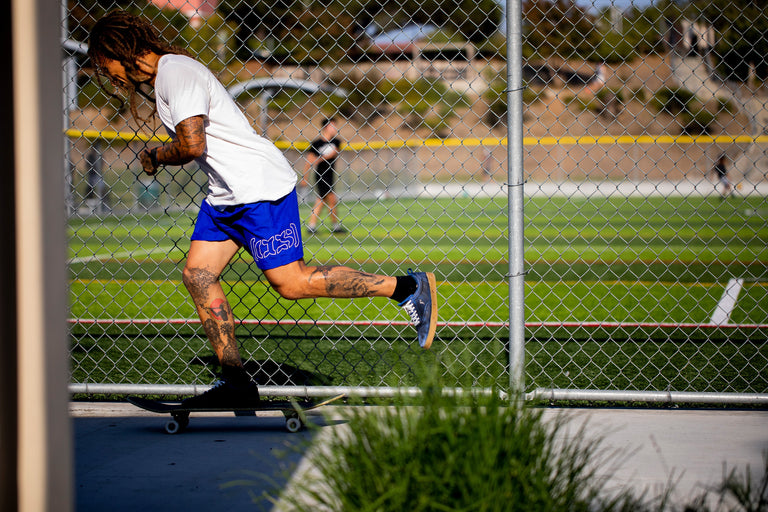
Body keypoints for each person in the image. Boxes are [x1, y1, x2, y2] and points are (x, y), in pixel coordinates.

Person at [88, 10, 437, 408]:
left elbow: (191, 145)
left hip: (257, 189)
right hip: (225, 195)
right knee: (199, 275)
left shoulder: (175, 72)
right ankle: (236, 380)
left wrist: (153, 156)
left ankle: (407, 287)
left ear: (121, 50)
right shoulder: (165, 77)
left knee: (293, 283)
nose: (108, 74)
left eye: (105, 63)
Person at [301, 117, 345, 234]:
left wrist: (320, 159)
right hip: (321, 175)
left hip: (330, 175)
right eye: (332, 126)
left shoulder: (336, 142)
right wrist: (305, 178)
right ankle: (335, 226)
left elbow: (334, 153)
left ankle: (312, 226)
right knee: (330, 199)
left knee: (321, 200)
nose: (335, 128)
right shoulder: (317, 143)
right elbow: (309, 161)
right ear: (326, 127)